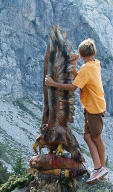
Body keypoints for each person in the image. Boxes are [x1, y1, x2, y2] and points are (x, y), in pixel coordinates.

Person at [44, 38, 108, 183]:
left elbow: (74, 86)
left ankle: (100, 168)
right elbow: (80, 77)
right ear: (94, 52)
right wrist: (74, 65)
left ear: (81, 53)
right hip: (91, 107)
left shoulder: (87, 68)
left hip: (94, 109)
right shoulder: (94, 64)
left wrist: (52, 83)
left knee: (96, 138)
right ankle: (99, 168)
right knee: (87, 136)